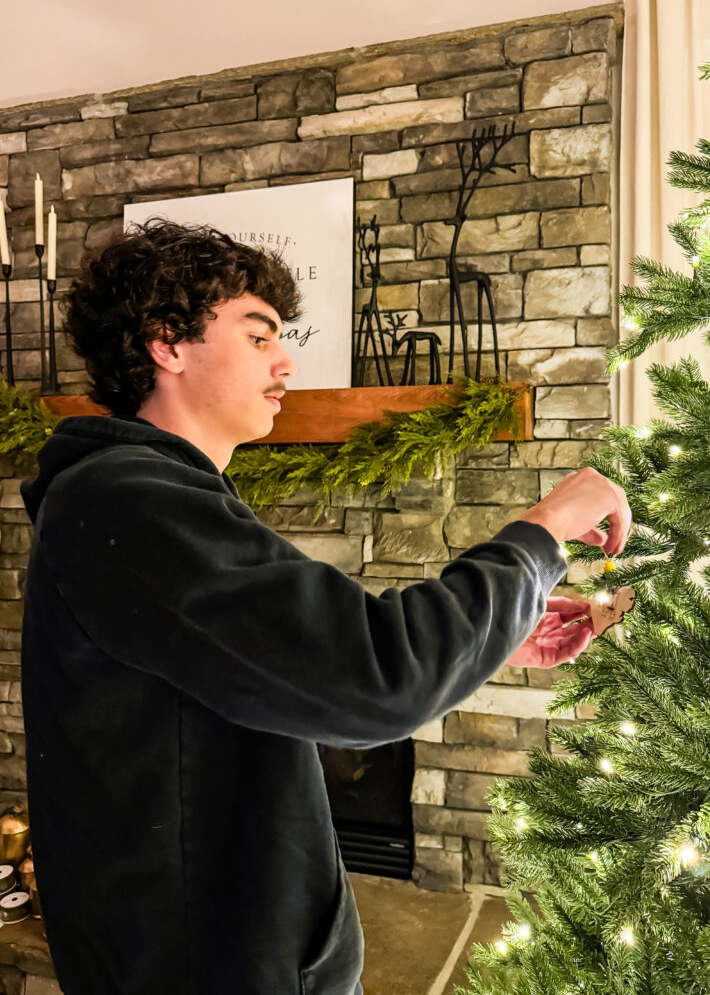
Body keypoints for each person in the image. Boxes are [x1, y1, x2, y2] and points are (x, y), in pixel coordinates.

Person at [18, 216, 631, 995]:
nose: (286, 362)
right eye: (258, 336)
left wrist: (497, 627)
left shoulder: (147, 496)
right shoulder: (127, 499)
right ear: (166, 343)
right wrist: (541, 533)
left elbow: (307, 656)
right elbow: (377, 678)